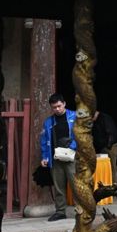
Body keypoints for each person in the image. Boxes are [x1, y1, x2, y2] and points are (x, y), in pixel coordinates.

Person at [39, 93, 77, 222]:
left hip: (71, 156)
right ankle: (60, 211)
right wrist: (45, 157)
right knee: (58, 186)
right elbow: (44, 141)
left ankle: (82, 209)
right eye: (54, 107)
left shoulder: (74, 116)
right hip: (55, 157)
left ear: (64, 104)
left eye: (59, 106)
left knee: (76, 184)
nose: (57, 109)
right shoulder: (49, 122)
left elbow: (80, 135)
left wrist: (72, 147)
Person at [92, 110, 117, 182]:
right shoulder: (97, 120)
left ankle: (112, 186)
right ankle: (107, 183)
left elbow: (112, 133)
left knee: (111, 167)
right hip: (105, 146)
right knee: (106, 167)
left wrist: (107, 146)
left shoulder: (104, 118)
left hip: (111, 146)